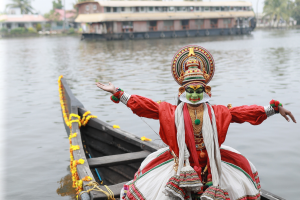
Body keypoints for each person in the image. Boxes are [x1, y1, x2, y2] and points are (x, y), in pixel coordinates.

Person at [96, 45, 296, 200]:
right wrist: (118, 93)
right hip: (179, 165)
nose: (193, 96)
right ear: (182, 92)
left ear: (206, 91)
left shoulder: (218, 112)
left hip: (213, 165)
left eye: (198, 91)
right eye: (189, 91)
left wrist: (274, 109)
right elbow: (145, 105)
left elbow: (243, 113)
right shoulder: (171, 112)